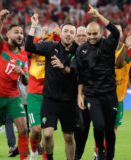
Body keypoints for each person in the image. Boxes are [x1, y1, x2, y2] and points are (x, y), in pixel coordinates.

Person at [25, 13, 79, 160]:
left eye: (71, 32)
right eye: (66, 31)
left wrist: (63, 67)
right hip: (50, 100)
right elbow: (29, 47)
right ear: (60, 33)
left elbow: (74, 71)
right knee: (47, 134)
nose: (68, 34)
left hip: (69, 101)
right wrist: (33, 27)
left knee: (68, 137)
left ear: (74, 36)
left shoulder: (79, 51)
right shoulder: (50, 47)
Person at [73, 5, 120, 160]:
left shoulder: (108, 44)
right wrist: (80, 94)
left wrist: (98, 15)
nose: (92, 36)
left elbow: (116, 31)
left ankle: (110, 156)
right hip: (92, 95)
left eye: (95, 34)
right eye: (89, 34)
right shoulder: (81, 50)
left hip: (110, 94)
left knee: (109, 130)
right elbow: (80, 74)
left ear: (101, 33)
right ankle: (100, 150)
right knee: (98, 125)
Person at [0, 9, 29, 160]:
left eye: (21, 32)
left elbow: (26, 81)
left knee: (23, 130)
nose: (20, 35)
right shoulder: (0, 46)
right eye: (16, 32)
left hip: (13, 97)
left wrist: (22, 73)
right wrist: (1, 19)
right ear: (8, 35)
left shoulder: (23, 55)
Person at [73, 26, 92, 160]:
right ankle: (74, 155)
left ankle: (78, 155)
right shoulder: (68, 50)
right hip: (70, 96)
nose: (80, 37)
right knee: (76, 127)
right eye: (78, 35)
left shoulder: (93, 51)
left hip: (89, 95)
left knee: (85, 127)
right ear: (75, 37)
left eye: (83, 35)